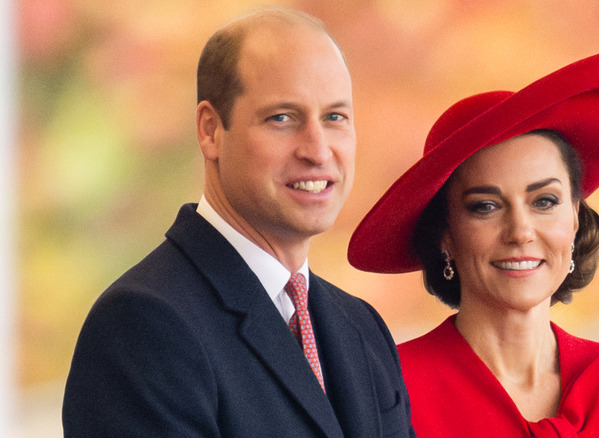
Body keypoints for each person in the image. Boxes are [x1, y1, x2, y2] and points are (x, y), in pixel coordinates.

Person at [63, 7, 413, 437]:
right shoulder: (143, 324)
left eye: (334, 117)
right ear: (210, 130)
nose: (318, 150)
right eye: (282, 118)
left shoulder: (362, 327)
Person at [348, 50, 599, 437]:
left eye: (544, 201)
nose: (520, 231)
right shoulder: (386, 393)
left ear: (575, 217)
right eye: (486, 206)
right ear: (445, 231)